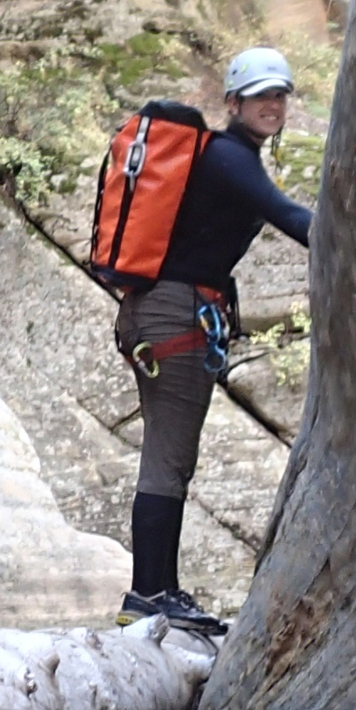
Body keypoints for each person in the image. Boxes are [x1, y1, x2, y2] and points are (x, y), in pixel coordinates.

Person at [116, 45, 311, 629]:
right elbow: (288, 217)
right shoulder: (229, 157)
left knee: (169, 457)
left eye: (279, 95)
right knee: (168, 460)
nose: (272, 105)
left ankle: (159, 592)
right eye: (260, 96)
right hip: (176, 317)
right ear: (234, 103)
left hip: (159, 313)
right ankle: (149, 596)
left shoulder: (229, 156)